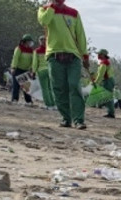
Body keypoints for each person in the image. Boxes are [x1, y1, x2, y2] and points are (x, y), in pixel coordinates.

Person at [39, 0, 89, 129]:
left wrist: (85, 55)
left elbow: (81, 35)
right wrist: (51, 7)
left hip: (74, 57)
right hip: (54, 56)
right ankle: (66, 118)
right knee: (59, 88)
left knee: (74, 86)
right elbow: (44, 21)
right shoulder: (43, 10)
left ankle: (79, 120)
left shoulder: (74, 13)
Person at [10, 34, 35, 104]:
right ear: (25, 41)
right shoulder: (19, 48)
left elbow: (33, 61)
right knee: (16, 86)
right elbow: (15, 58)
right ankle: (14, 99)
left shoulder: (31, 50)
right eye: (29, 41)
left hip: (26, 70)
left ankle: (28, 101)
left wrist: (31, 69)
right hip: (17, 69)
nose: (30, 43)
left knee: (26, 86)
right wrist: (13, 67)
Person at [32, 35, 55, 109]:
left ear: (40, 42)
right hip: (50, 70)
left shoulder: (37, 51)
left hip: (41, 71)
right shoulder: (50, 50)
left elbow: (35, 63)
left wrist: (33, 71)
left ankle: (48, 104)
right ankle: (53, 103)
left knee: (44, 89)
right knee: (50, 88)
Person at [92, 49, 116, 118]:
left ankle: (111, 113)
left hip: (108, 80)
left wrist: (96, 82)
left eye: (99, 54)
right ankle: (110, 111)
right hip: (108, 80)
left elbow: (101, 74)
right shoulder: (104, 62)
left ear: (103, 55)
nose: (98, 55)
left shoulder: (104, 63)